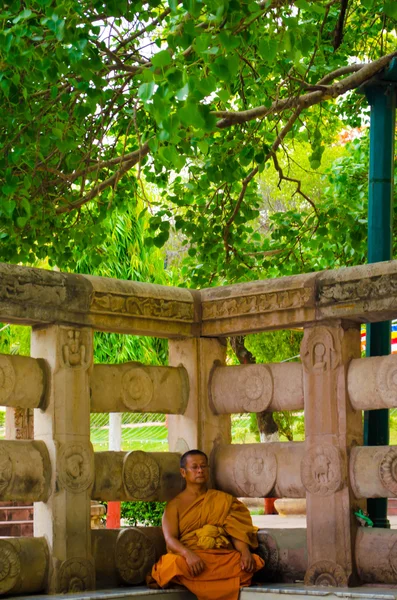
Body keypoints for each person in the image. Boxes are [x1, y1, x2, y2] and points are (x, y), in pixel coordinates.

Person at [150, 449, 264, 600]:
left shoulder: (222, 500)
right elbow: (170, 539)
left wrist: (244, 552)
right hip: (191, 557)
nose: (200, 471)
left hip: (218, 556)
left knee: (247, 564)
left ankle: (190, 581)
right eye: (195, 467)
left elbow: (236, 529)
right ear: (183, 472)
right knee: (172, 564)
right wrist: (188, 555)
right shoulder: (174, 505)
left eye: (203, 466)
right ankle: (199, 579)